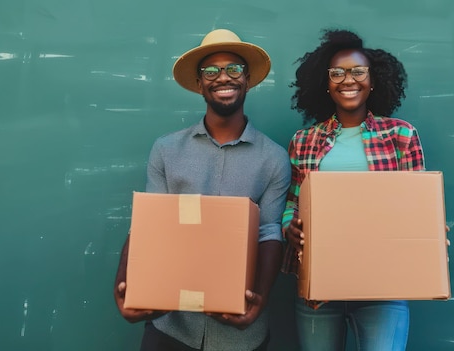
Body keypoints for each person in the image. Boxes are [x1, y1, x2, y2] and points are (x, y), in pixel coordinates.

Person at [113, 29, 291, 351]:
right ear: (199, 84)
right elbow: (148, 224)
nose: (223, 77)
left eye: (233, 69)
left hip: (241, 334)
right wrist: (123, 285)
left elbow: (269, 232)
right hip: (171, 327)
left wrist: (259, 301)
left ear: (247, 80)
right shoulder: (166, 149)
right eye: (211, 71)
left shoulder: (274, 157)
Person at [281, 29, 425, 351]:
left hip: (383, 287)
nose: (349, 80)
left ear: (372, 81)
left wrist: (426, 230)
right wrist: (289, 227)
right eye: (337, 73)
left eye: (358, 71)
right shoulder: (303, 141)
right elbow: (293, 202)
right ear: (327, 84)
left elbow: (419, 205)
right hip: (319, 288)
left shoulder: (401, 135)